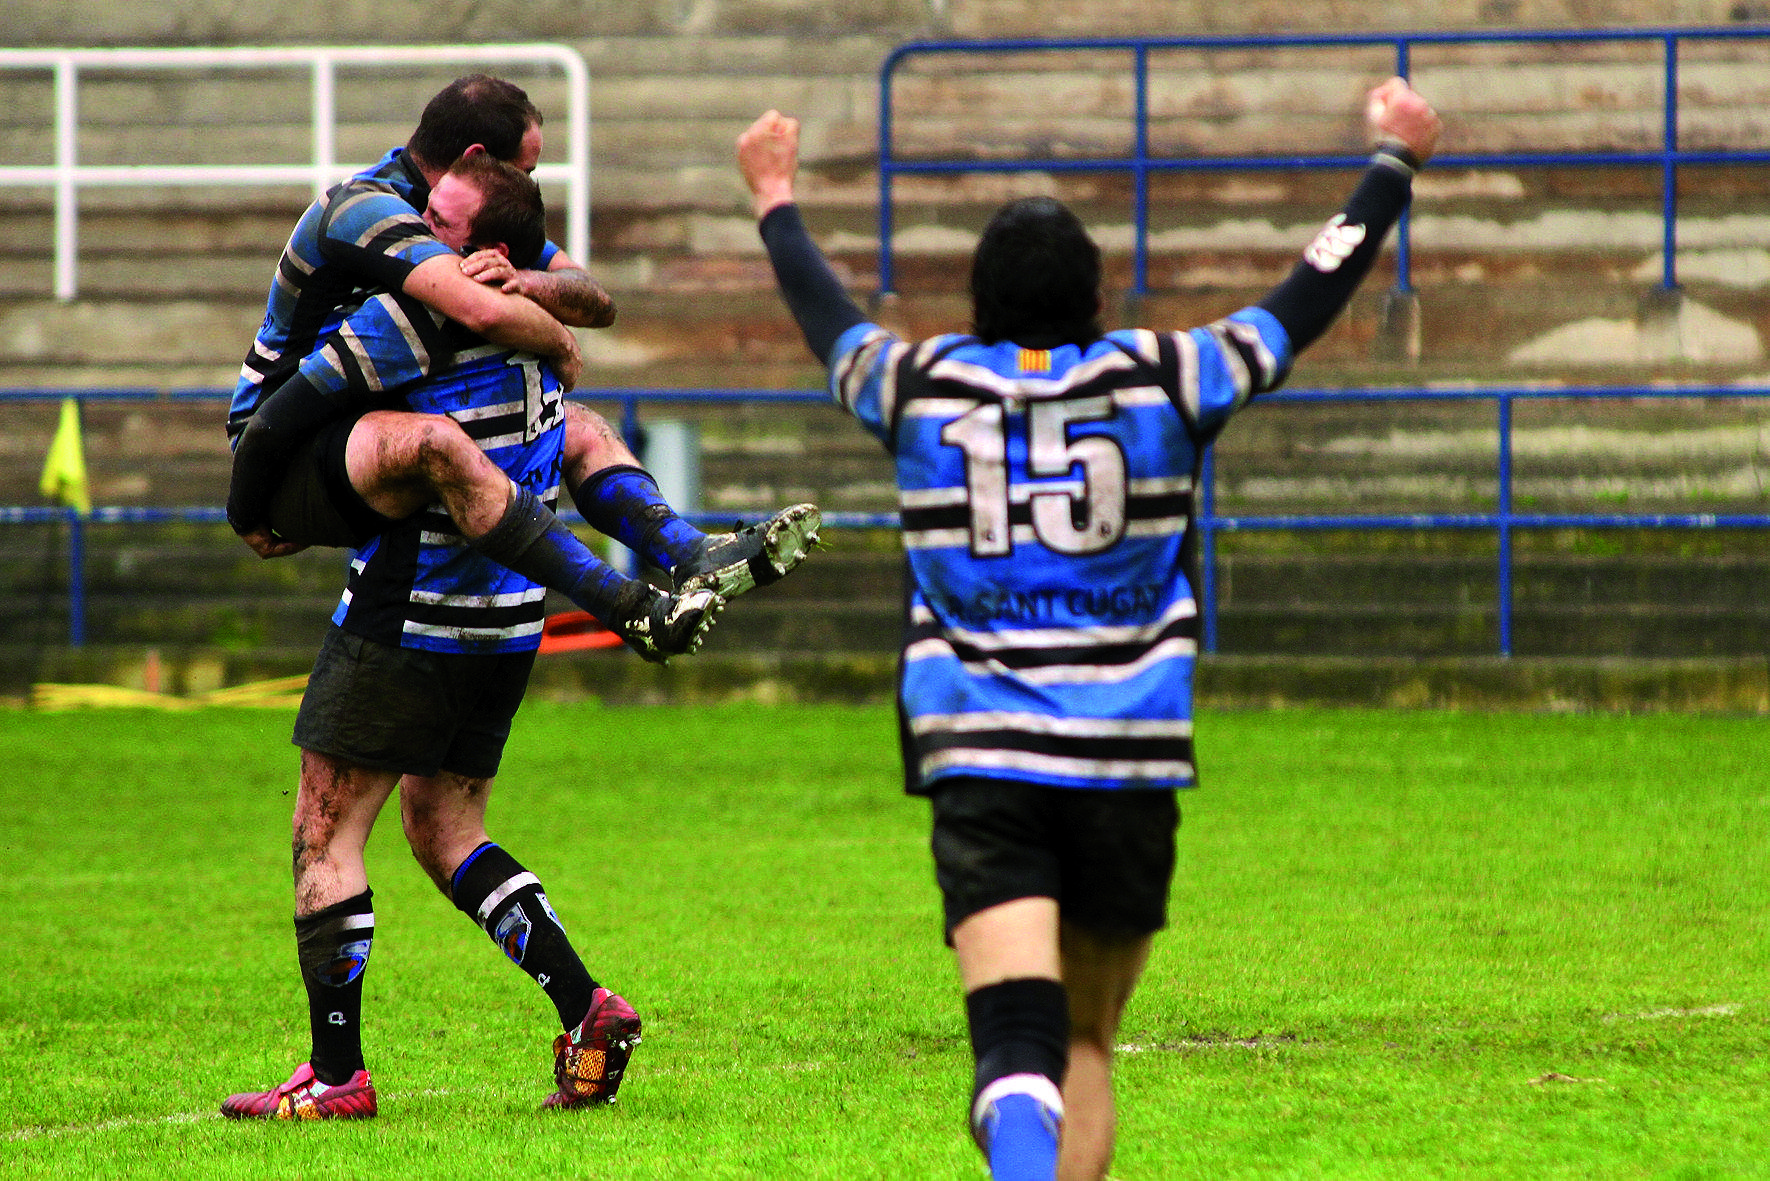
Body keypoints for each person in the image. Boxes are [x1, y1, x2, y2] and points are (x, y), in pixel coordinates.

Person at [736, 77, 1441, 1180]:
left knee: (1014, 1046)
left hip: (983, 754)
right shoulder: (1168, 375)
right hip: (1129, 756)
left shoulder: (921, 385)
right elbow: (1310, 291)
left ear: (977, 299)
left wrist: (775, 198)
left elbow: (828, 322)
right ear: (1095, 297)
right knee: (1085, 1041)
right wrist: (1392, 166)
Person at [220, 154, 663, 1123]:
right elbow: (580, 335)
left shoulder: (421, 319)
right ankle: (588, 1007)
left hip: (408, 612)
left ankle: (336, 1074)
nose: (417, 232)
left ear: (492, 254)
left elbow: (294, 409)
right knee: (447, 828)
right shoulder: (534, 344)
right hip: (507, 623)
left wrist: (256, 498)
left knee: (323, 831)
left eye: (441, 223)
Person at [224, 73, 820, 661]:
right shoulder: (367, 208)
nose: (528, 184)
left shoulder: (472, 207)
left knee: (575, 426)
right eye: (527, 169)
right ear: (479, 158)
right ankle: (628, 607)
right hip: (283, 440)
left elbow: (593, 297)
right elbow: (480, 308)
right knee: (441, 441)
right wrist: (559, 342)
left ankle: (694, 556)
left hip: (369, 413)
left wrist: (528, 279)